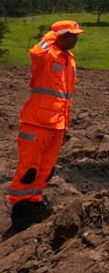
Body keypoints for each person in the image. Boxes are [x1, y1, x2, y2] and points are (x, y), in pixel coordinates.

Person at [6, 20, 84, 234]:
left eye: (77, 35)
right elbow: (36, 51)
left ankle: (35, 204)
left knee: (45, 170)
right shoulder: (46, 54)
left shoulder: (69, 59)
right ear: (60, 35)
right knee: (29, 170)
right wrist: (53, 35)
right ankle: (20, 213)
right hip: (36, 124)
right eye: (72, 35)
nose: (76, 39)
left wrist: (64, 124)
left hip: (58, 125)